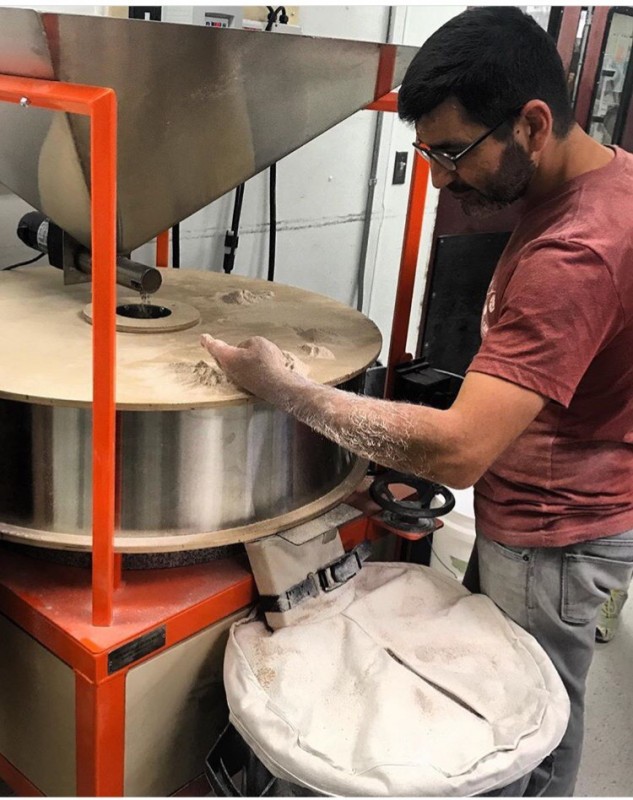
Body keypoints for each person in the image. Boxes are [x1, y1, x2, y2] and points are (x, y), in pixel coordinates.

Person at [201, 7, 633, 796]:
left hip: (554, 534)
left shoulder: (576, 252)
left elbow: (461, 447)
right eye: (426, 152)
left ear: (533, 124)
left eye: (453, 152)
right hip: (554, 505)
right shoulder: (608, 180)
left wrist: (287, 390)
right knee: (494, 709)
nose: (438, 178)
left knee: (520, 737)